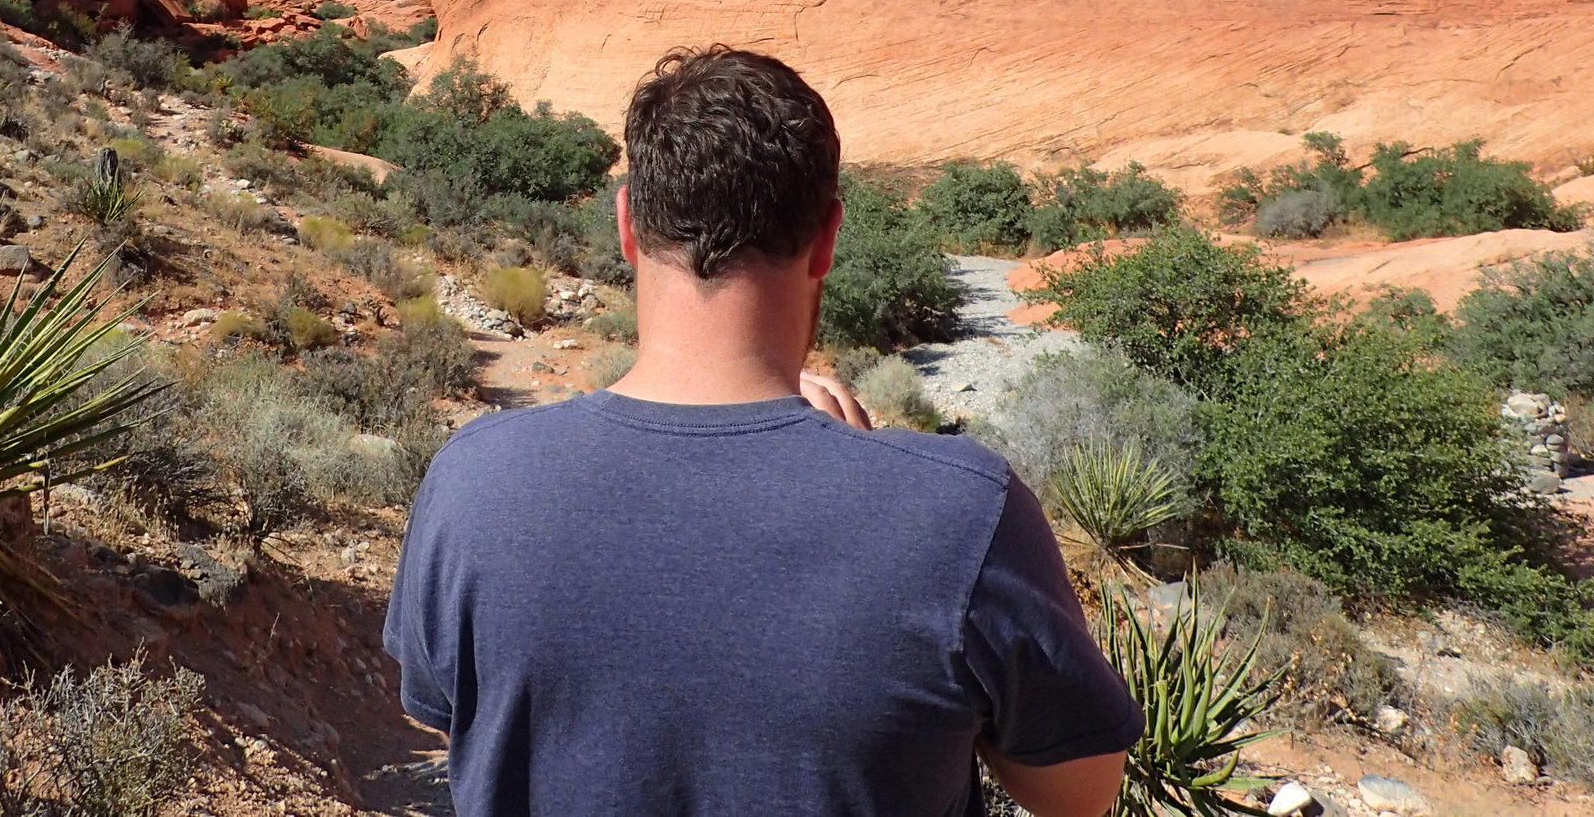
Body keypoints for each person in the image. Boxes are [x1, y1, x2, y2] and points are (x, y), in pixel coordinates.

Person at [383, 46, 1142, 816]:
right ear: (827, 238)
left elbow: (448, 714)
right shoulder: (960, 512)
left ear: (626, 225)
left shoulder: (474, 483)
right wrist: (870, 466)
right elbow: (1080, 792)